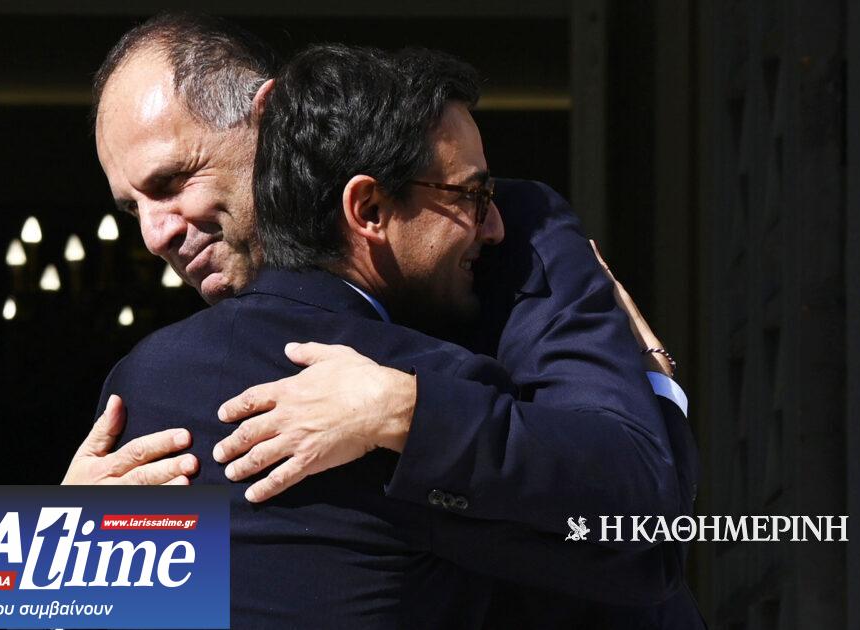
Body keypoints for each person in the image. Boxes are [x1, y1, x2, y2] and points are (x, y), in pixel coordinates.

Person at [71, 13, 702, 625]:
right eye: (132, 208)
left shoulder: (506, 238)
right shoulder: (157, 390)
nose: (153, 234)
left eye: (172, 181)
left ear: (267, 116)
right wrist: (65, 541)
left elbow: (633, 512)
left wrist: (399, 410)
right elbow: (648, 547)